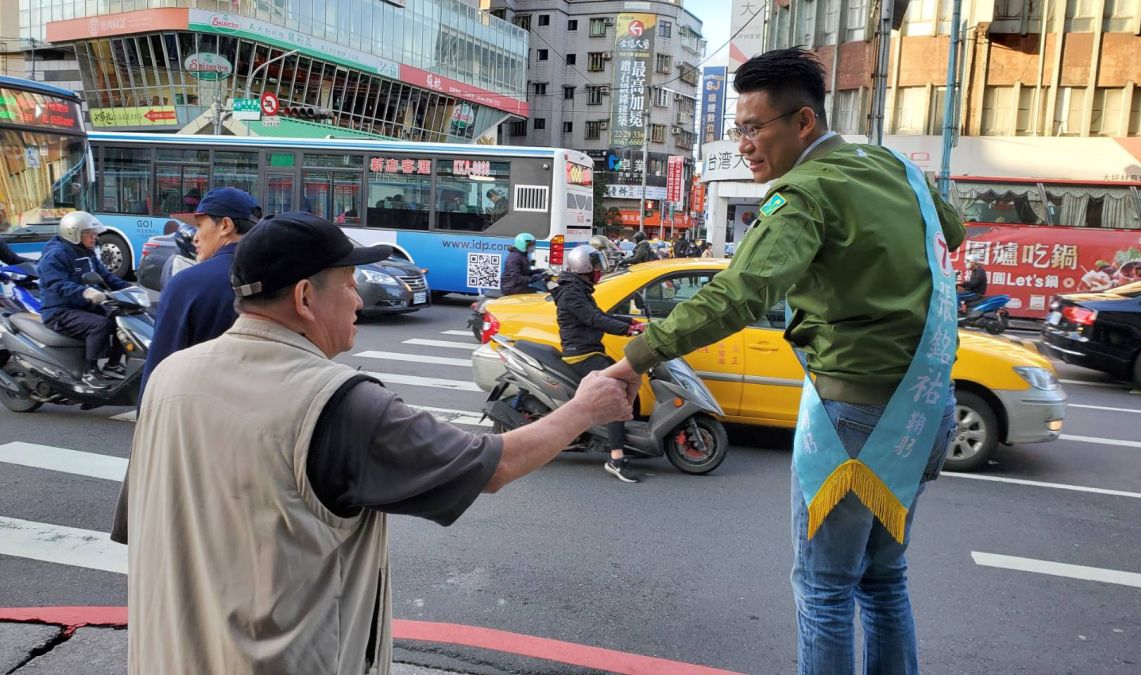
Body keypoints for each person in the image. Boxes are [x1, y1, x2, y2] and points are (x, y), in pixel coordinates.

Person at [123, 213, 631, 674]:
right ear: (304, 297)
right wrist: (584, 410)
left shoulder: (170, 376)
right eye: (349, 284)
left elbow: (142, 522)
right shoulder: (335, 403)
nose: (359, 299)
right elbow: (492, 466)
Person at [600, 48, 965, 673]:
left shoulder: (804, 193)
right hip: (927, 403)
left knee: (825, 589)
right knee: (884, 579)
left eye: (752, 127)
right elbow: (951, 233)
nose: (743, 143)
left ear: (802, 123)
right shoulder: (895, 168)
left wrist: (635, 356)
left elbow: (740, 293)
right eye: (737, 129)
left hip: (850, 412)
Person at [138, 188, 260, 405]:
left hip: (197, 416)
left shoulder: (188, 284)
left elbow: (160, 367)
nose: (195, 237)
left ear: (225, 226)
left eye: (200, 225)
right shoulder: (281, 279)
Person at [551, 244, 645, 483]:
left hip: (591, 350)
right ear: (584, 267)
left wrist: (632, 322)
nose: (599, 270)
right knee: (615, 391)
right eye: (595, 266)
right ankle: (616, 458)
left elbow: (601, 314)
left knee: (631, 372)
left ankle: (623, 421)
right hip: (580, 354)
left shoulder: (579, 289)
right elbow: (593, 319)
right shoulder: (572, 293)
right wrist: (626, 329)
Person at [38, 211, 130, 388]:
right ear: (73, 234)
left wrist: (129, 288)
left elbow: (105, 277)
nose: (94, 237)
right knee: (100, 325)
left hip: (83, 306)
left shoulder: (87, 252)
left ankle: (112, 365)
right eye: (90, 234)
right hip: (59, 311)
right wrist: (85, 292)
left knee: (121, 317)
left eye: (95, 234)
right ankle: (91, 372)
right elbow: (56, 284)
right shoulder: (55, 255)